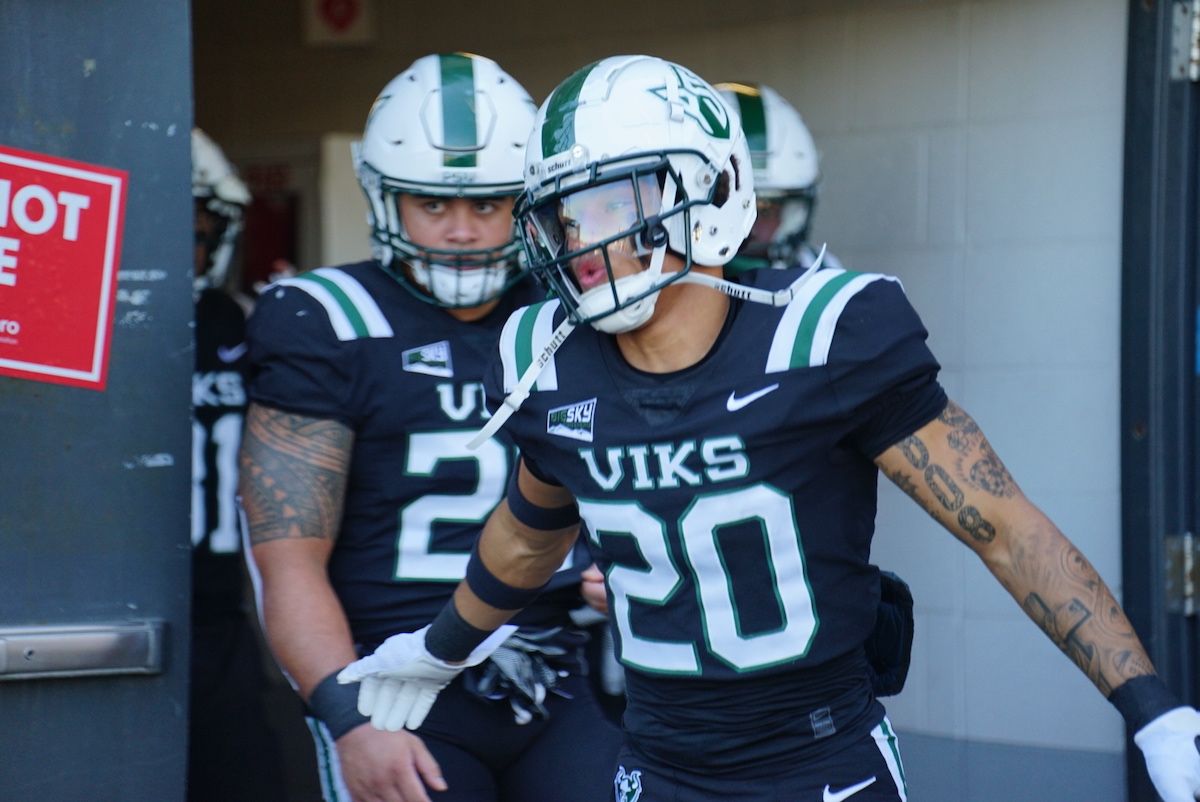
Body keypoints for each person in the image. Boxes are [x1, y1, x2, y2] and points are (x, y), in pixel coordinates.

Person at [335, 55, 1200, 802]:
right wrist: (439, 649)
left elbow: (1004, 528)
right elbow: (530, 533)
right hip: (658, 763)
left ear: (708, 191)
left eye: (606, 206)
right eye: (565, 214)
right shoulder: (547, 354)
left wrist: (1149, 708)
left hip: (822, 762)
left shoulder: (827, 334)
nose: (580, 240)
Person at [238, 53, 620, 802]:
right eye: (433, 205)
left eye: (487, 205)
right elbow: (287, 563)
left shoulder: (571, 315)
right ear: (387, 200)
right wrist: (350, 718)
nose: (461, 231)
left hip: (552, 671)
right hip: (391, 686)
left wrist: (625, 564)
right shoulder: (326, 318)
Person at [190, 128, 288, 802]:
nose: (183, 250)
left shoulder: (245, 324)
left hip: (225, 615)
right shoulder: (81, 328)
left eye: (197, 232)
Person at [715, 81, 841, 274]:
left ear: (792, 215)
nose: (749, 226)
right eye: (733, 205)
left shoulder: (822, 274)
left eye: (765, 209)